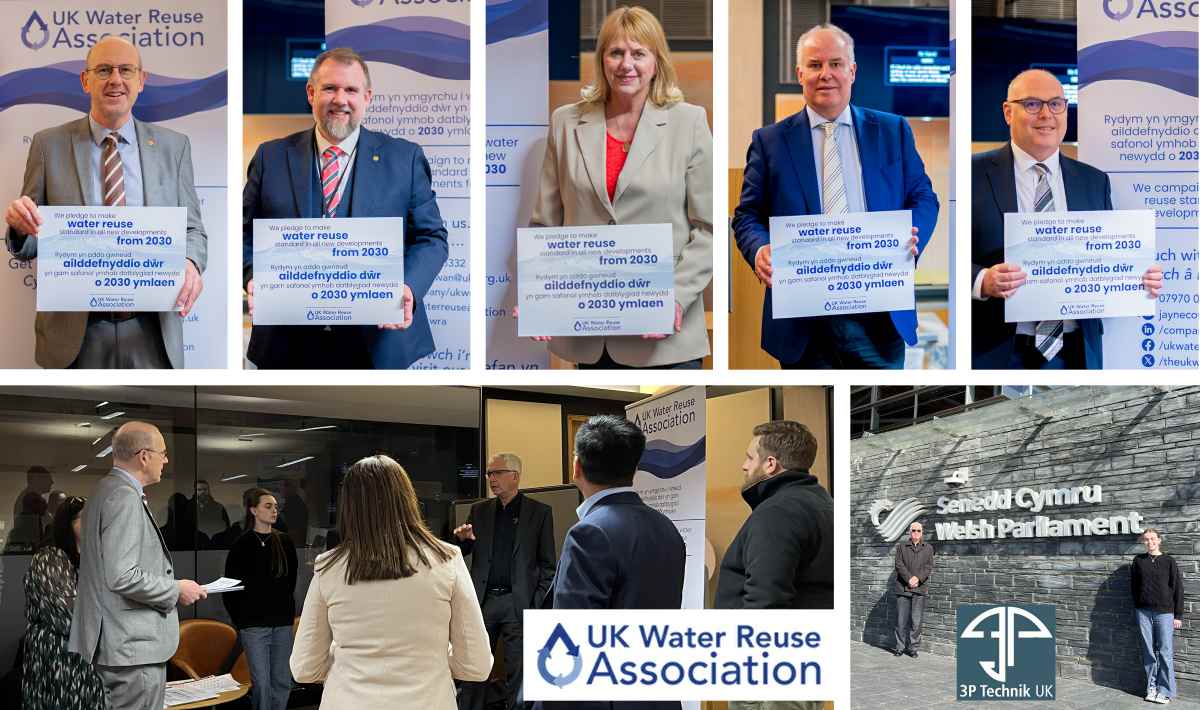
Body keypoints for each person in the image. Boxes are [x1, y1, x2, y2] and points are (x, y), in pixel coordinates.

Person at [732, 24, 937, 369]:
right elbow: (747, 216)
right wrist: (759, 250)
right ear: (800, 73)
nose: (826, 74)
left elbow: (924, 198)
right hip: (803, 324)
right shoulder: (770, 142)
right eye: (814, 65)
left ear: (852, 71)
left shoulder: (892, 130)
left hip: (879, 317)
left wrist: (912, 234)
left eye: (836, 64)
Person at [526, 6, 713, 369]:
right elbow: (546, 225)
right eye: (616, 52)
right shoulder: (565, 123)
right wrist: (540, 293)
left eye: (638, 53)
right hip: (589, 335)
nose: (626, 64)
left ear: (656, 62)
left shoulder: (689, 122)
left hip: (663, 336)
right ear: (602, 61)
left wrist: (674, 296)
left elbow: (707, 229)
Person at [4, 36, 207, 369]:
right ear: (86, 80)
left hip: (152, 330)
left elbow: (194, 230)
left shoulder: (175, 147)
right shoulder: (47, 145)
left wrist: (191, 263)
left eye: (126, 70)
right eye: (103, 70)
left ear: (141, 80)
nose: (115, 79)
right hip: (75, 334)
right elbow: (29, 241)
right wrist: (19, 227)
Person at [243, 47, 448, 369]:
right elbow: (245, 232)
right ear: (311, 93)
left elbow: (432, 237)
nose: (340, 99)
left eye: (350, 90)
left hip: (378, 341)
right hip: (287, 341)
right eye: (329, 88)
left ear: (367, 97)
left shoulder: (403, 158)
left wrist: (407, 286)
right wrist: (255, 276)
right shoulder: (271, 157)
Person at [971, 69, 1163, 369]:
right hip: (998, 352)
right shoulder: (971, 175)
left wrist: (1137, 278)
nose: (1047, 114)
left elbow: (1106, 259)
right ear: (1009, 112)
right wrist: (983, 281)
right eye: (1033, 104)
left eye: (1056, 104)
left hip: (1077, 352)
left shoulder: (1094, 182)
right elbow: (952, 259)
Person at [290, 455, 491, 709]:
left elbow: (304, 668)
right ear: (406, 498)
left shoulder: (329, 566)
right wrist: (433, 658)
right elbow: (477, 665)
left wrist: (346, 656)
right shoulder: (447, 559)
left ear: (349, 506)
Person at [536, 415, 685, 710]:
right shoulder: (667, 527)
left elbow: (572, 642)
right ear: (635, 467)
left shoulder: (589, 532)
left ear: (576, 466)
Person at [69, 421, 207, 710]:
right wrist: (175, 589)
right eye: (163, 453)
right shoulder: (123, 497)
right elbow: (122, 576)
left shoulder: (103, 491)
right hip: (133, 647)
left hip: (116, 643)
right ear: (144, 456)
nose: (166, 460)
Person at [453, 453, 556, 710]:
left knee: (519, 674)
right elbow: (459, 551)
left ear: (515, 476)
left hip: (517, 602)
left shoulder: (539, 513)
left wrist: (533, 602)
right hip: (484, 601)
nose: (491, 479)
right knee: (474, 670)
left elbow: (548, 565)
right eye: (489, 473)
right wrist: (461, 539)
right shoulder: (480, 511)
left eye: (497, 473)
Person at [715, 421, 833, 611]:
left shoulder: (777, 513)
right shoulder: (823, 503)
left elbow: (765, 601)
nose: (744, 466)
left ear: (770, 464)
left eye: (750, 458)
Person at [22, 496, 105, 710]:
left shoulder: (93, 556)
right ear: (67, 524)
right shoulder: (49, 558)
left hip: (87, 660)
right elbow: (67, 615)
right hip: (58, 660)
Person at [225, 489, 298, 710]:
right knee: (262, 683)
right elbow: (231, 587)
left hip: (282, 623)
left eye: (276, 506)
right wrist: (243, 621)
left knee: (282, 680)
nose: (274, 510)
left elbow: (290, 582)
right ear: (253, 510)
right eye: (268, 506)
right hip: (254, 625)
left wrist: (285, 613)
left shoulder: (284, 541)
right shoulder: (242, 544)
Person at [1131, 528, 1184, 704]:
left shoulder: (1169, 561)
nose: (1150, 542)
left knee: (1165, 652)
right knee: (1148, 652)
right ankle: (1151, 688)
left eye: (1153, 539)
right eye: (1146, 539)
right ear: (1143, 542)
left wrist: (1178, 615)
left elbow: (1177, 589)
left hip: (1165, 613)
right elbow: (1134, 587)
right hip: (1144, 613)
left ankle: (1165, 690)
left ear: (1159, 540)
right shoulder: (1138, 561)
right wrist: (1138, 606)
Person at [892, 521, 933, 658]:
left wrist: (918, 578)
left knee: (916, 621)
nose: (916, 533)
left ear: (922, 533)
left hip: (919, 589)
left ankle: (913, 648)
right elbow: (899, 564)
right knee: (901, 621)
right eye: (913, 530)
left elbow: (928, 567)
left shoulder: (928, 548)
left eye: (918, 531)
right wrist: (909, 578)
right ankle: (899, 647)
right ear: (910, 532)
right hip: (903, 588)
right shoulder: (901, 547)